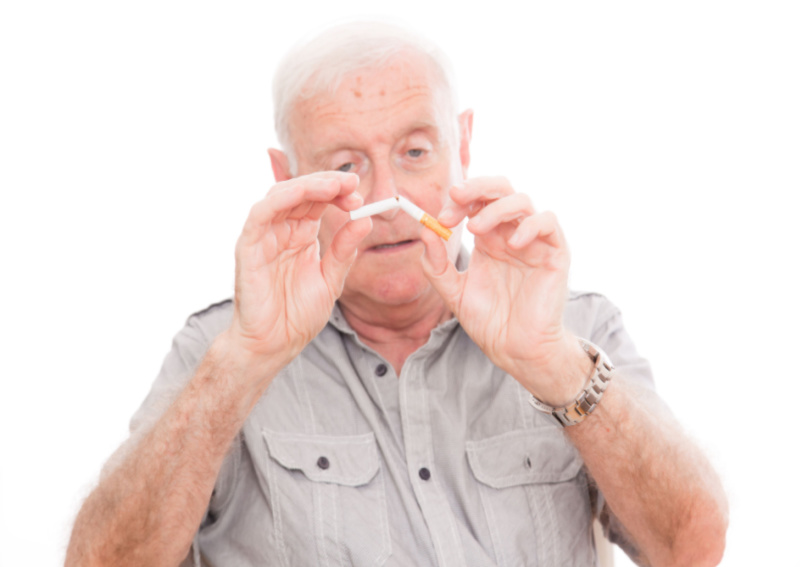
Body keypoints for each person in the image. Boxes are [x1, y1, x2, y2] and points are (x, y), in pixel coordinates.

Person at [65, 22, 728, 567]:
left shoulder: (575, 327)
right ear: (286, 175)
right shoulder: (218, 352)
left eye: (415, 151)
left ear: (461, 143)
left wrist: (552, 362)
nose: (390, 202)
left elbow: (694, 545)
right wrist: (242, 361)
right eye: (347, 166)